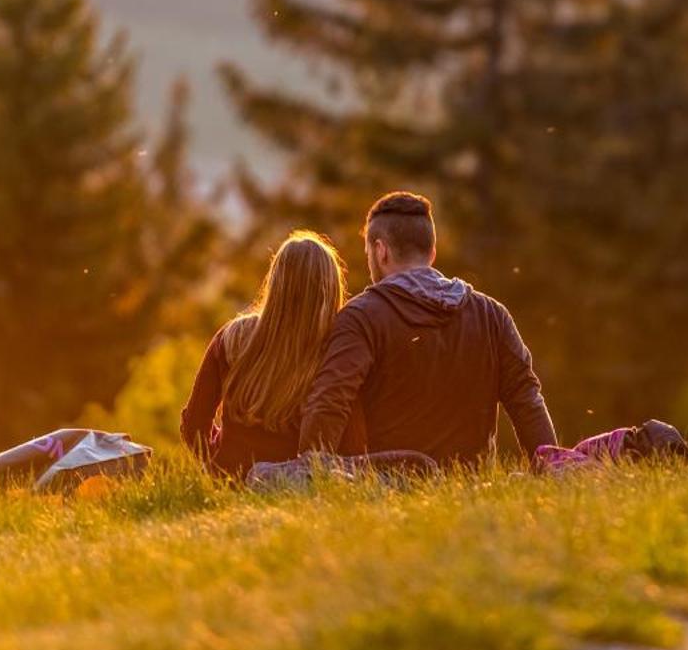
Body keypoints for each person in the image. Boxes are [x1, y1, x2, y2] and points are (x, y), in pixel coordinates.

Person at [296, 191, 557, 468]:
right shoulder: (491, 315)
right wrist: (553, 468)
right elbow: (527, 401)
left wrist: (312, 471)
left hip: (387, 492)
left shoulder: (361, 317)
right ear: (432, 253)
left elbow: (330, 400)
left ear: (380, 250)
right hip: (471, 490)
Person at [180, 231, 363, 478]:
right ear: (329, 290)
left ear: (275, 281)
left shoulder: (234, 337)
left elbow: (193, 425)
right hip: (294, 489)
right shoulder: (336, 353)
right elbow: (352, 444)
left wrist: (220, 461)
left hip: (228, 483)